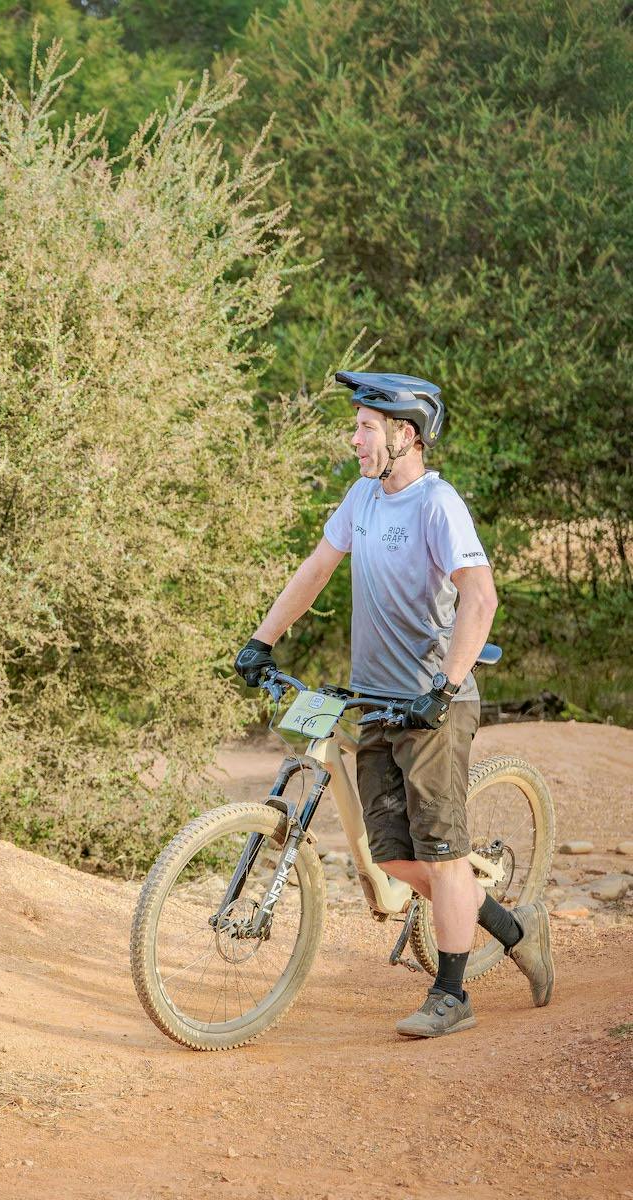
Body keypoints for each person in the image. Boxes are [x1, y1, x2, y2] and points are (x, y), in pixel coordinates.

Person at [235, 370, 553, 1037]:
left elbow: (481, 597)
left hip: (435, 706)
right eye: (356, 426)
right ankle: (512, 926)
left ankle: (453, 994)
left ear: (405, 435)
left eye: (365, 427)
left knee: (439, 855)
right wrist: (262, 641)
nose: (354, 439)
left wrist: (446, 684)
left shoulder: (438, 506)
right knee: (392, 857)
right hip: (377, 701)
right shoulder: (362, 499)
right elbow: (316, 569)